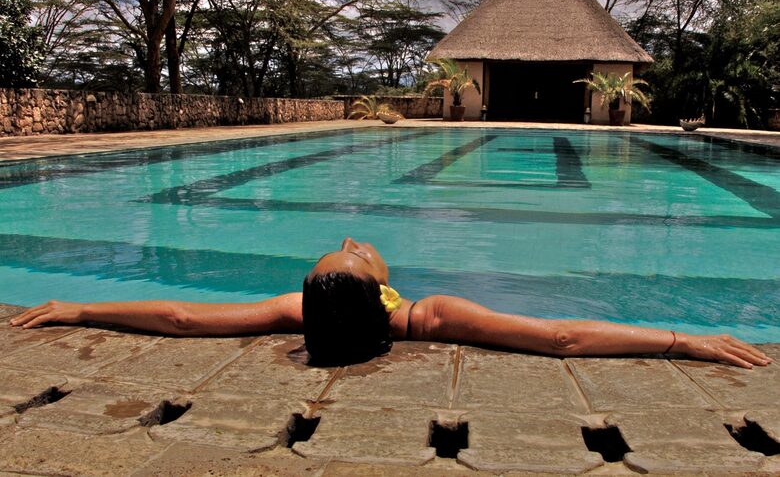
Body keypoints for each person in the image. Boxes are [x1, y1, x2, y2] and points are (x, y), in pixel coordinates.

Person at [10, 237, 772, 369]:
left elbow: (180, 319)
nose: (355, 241)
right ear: (379, 287)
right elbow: (561, 337)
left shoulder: (293, 310)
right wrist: (680, 340)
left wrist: (77, 309)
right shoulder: (432, 314)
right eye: (356, 254)